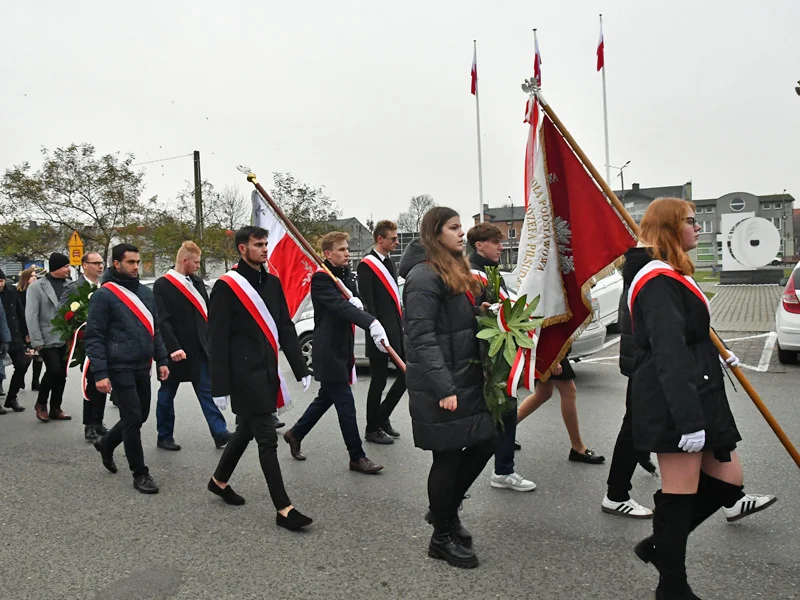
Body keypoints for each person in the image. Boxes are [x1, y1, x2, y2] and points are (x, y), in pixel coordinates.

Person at [625, 197, 773, 599]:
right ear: (671, 227)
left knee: (729, 481)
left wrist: (718, 350)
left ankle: (659, 547)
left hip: (701, 389)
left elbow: (689, 332)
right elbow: (668, 354)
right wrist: (688, 420)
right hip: (676, 400)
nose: (697, 228)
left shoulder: (673, 274)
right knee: (679, 492)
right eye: (691, 221)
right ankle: (672, 585)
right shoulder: (655, 280)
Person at [602, 284, 776, 522]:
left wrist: (717, 347)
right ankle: (617, 494)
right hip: (651, 365)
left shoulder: (664, 268)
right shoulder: (653, 273)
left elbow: (689, 317)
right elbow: (667, 328)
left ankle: (732, 498)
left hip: (658, 360)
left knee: (699, 426)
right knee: (635, 426)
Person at [400, 207, 496, 569]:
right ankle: (441, 537)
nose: (462, 233)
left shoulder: (453, 270)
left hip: (464, 377)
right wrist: (443, 386)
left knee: (486, 439)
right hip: (442, 382)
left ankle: (446, 511)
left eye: (461, 227)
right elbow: (421, 336)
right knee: (448, 456)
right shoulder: (423, 277)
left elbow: (453, 324)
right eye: (454, 228)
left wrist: (483, 312)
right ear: (435, 233)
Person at [208, 226, 313, 531]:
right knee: (267, 437)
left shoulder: (272, 282)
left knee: (244, 432)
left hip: (267, 370)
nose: (265, 249)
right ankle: (284, 509)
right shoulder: (227, 286)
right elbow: (217, 339)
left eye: (266, 243)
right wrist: (220, 385)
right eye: (258, 244)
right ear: (242, 249)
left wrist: (300, 367)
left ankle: (219, 480)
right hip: (242, 376)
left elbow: (284, 326)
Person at [283, 231, 387, 475]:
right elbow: (340, 306)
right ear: (327, 254)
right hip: (328, 351)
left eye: (347, 248)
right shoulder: (322, 279)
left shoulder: (344, 276)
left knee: (324, 400)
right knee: (345, 405)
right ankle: (357, 457)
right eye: (341, 249)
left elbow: (353, 300)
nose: (347, 253)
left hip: (343, 349)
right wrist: (369, 322)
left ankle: (294, 433)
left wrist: (359, 301)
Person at [86, 243, 169, 495]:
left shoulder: (145, 293)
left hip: (142, 365)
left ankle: (107, 442)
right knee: (133, 418)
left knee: (141, 414)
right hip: (119, 365)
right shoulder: (104, 295)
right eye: (130, 262)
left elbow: (154, 330)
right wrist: (100, 373)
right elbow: (95, 336)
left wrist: (162, 359)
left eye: (138, 262)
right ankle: (140, 473)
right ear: (117, 264)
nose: (136, 266)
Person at [466, 223, 536, 493]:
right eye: (495, 242)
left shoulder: (491, 272)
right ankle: (499, 471)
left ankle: (503, 469)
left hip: (498, 355)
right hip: (485, 358)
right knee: (497, 412)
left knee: (505, 411)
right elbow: (469, 315)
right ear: (479, 245)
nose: (501, 247)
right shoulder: (474, 275)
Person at [153, 241, 230, 451]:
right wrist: (172, 347)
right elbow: (162, 320)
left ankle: (220, 432)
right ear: (184, 261)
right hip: (175, 351)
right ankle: (164, 435)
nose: (198, 266)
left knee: (207, 391)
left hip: (199, 349)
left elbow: (206, 314)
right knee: (167, 394)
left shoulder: (196, 282)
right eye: (195, 262)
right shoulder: (162, 285)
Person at [356, 219, 405, 444]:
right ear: (380, 239)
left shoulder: (390, 263)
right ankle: (371, 428)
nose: (396, 241)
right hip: (379, 333)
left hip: (396, 330)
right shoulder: (367, 265)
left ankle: (382, 417)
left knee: (407, 374)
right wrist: (376, 330)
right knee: (378, 381)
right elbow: (368, 302)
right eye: (393, 238)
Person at [516, 355, 605, 465]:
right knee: (568, 390)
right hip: (551, 352)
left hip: (550, 350)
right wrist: (554, 360)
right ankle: (578, 447)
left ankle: (504, 431)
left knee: (543, 393)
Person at [59, 251, 108, 441]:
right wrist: (76, 329)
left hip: (104, 341)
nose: (100, 266)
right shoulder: (74, 288)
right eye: (95, 263)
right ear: (85, 265)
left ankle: (98, 421)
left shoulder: (105, 286)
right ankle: (89, 423)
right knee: (93, 381)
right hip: (85, 342)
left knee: (103, 382)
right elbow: (63, 312)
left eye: (101, 263)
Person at [25, 253, 72, 422]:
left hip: (65, 337)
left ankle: (56, 407)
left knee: (62, 373)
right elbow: (31, 315)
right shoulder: (37, 287)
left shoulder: (70, 285)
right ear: (56, 268)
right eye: (65, 266)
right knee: (53, 369)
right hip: (46, 337)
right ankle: (41, 404)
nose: (68, 269)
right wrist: (36, 341)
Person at [0, 268, 28, 413]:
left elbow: (20, 311)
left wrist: (26, 332)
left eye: (1, 281)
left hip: (14, 335)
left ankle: (12, 397)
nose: (0, 284)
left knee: (21, 366)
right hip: (1, 337)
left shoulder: (11, 291)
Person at [15, 269, 42, 392]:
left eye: (36, 276)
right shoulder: (19, 294)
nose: (35, 279)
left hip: (37, 328)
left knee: (38, 356)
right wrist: (26, 332)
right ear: (25, 278)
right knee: (27, 357)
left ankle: (35, 381)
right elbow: (22, 314)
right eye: (32, 276)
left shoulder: (37, 292)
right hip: (23, 329)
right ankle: (20, 378)